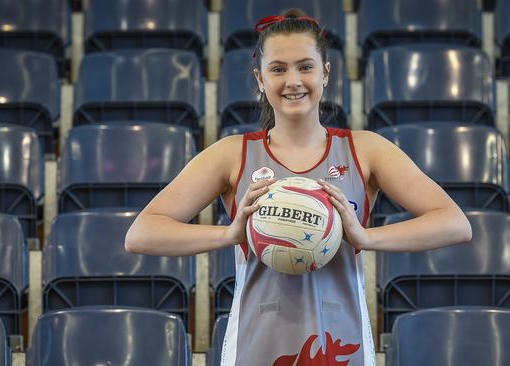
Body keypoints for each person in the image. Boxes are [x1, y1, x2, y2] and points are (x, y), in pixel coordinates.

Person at [125, 9, 472, 366]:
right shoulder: (232, 154)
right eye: (278, 69)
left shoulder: (365, 149)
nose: (293, 81)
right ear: (260, 78)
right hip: (254, 342)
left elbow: (455, 223)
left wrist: (367, 238)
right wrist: (230, 234)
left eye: (306, 66)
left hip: (342, 341)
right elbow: (140, 234)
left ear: (325, 73)